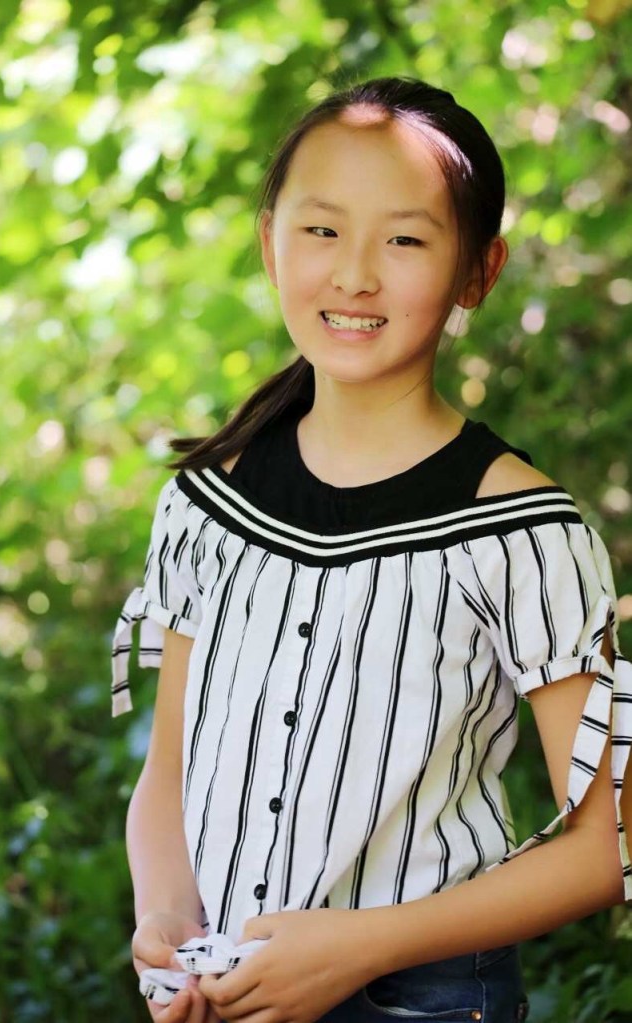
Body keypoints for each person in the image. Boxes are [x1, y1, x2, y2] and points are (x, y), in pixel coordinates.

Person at [111, 76, 632, 1023]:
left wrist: (361, 947)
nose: (354, 275)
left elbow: (610, 842)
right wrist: (167, 921)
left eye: (404, 240)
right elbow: (169, 773)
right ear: (269, 240)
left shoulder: (524, 532)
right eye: (321, 229)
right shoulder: (204, 501)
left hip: (429, 1002)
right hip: (225, 994)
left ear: (478, 270)